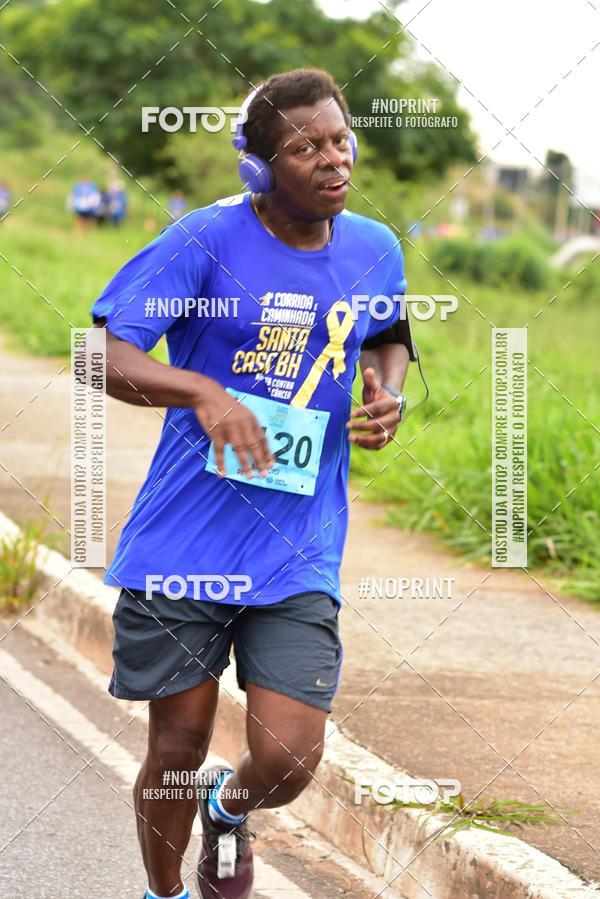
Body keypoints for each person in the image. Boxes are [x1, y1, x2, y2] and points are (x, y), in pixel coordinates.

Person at [90, 67, 415, 899]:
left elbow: (389, 333)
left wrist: (389, 394)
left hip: (297, 541)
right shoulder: (203, 240)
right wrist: (201, 391)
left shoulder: (375, 246)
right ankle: (165, 894)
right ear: (260, 168)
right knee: (178, 746)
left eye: (340, 139)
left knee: (290, 754)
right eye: (305, 148)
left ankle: (230, 816)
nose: (333, 159)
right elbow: (103, 352)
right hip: (186, 538)